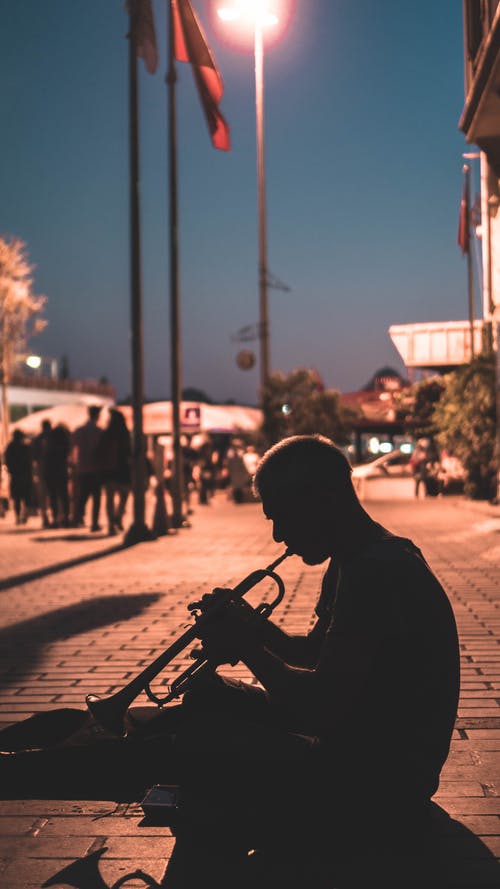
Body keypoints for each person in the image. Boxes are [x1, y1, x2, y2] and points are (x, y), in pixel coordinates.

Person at [0, 435, 460, 885]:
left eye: (282, 517)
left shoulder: (376, 573)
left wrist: (246, 648)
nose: (279, 535)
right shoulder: (358, 558)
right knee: (202, 698)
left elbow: (321, 709)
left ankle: (20, 775)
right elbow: (313, 656)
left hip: (380, 785)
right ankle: (48, 744)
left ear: (323, 499)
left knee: (197, 738)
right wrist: (255, 627)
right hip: (368, 749)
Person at [94, 408, 132, 535]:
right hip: (123, 468)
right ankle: (118, 517)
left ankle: (111, 523)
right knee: (124, 496)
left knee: (110, 498)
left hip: (109, 469)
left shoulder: (107, 434)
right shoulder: (125, 434)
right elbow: (130, 452)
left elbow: (99, 451)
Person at [70, 404, 103, 531]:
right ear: (97, 416)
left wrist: (74, 463)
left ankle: (76, 518)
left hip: (82, 468)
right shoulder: (99, 432)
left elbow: (73, 448)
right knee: (96, 498)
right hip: (96, 468)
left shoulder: (80, 430)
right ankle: (94, 523)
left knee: (82, 496)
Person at [44, 423, 71, 527]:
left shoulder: (49, 446)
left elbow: (46, 460)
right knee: (64, 496)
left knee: (53, 497)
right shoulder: (65, 445)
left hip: (50, 473)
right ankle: (66, 518)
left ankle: (55, 519)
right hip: (61, 472)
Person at [4, 429, 34, 525]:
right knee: (25, 497)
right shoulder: (25, 447)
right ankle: (23, 515)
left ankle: (18, 517)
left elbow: (7, 460)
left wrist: (11, 469)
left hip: (16, 475)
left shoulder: (10, 447)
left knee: (17, 497)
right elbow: (30, 461)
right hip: (24, 475)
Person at [31, 419, 52, 528]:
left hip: (41, 469)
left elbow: (33, 456)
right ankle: (50, 517)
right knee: (50, 494)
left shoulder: (37, 439)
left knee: (43, 495)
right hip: (49, 469)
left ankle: (45, 517)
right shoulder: (52, 438)